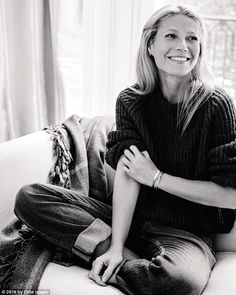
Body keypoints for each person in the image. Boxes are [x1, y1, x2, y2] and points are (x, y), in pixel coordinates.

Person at [14, 4, 236, 295]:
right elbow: (130, 174)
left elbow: (231, 196)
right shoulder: (131, 101)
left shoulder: (216, 105)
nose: (183, 46)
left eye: (192, 38)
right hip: (127, 222)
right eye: (172, 35)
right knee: (30, 197)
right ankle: (118, 256)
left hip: (185, 234)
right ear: (150, 45)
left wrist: (157, 178)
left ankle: (102, 254)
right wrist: (117, 246)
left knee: (179, 281)